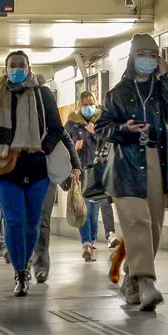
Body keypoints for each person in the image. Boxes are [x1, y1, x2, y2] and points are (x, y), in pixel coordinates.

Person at [96, 34, 168, 311]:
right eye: (142, 54)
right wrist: (125, 129)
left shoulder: (161, 90)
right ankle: (147, 281)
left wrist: (166, 78)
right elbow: (102, 127)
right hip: (125, 165)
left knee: (154, 227)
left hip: (156, 161)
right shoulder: (118, 93)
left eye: (152, 54)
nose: (147, 60)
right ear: (133, 57)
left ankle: (131, 280)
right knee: (138, 223)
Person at [0, 51, 66, 296]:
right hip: (3, 167)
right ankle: (20, 271)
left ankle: (25, 263)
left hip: (36, 166)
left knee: (32, 224)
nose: (17, 69)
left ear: (29, 67)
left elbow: (57, 128)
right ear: (6, 68)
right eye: (12, 65)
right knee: (14, 221)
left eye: (21, 65)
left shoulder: (42, 93)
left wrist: (41, 148)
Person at [31, 116, 82, 281]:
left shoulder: (47, 112)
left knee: (43, 218)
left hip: (47, 172)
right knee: (22, 219)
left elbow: (64, 136)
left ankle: (41, 263)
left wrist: (75, 165)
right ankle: (22, 259)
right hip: (19, 171)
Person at [65, 92, 105, 262]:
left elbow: (108, 143)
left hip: (98, 172)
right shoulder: (72, 124)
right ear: (79, 106)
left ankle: (92, 239)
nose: (88, 107)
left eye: (90, 104)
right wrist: (75, 147)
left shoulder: (101, 122)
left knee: (94, 212)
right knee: (84, 209)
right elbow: (65, 146)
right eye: (84, 104)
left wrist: (95, 133)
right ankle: (86, 244)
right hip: (80, 172)